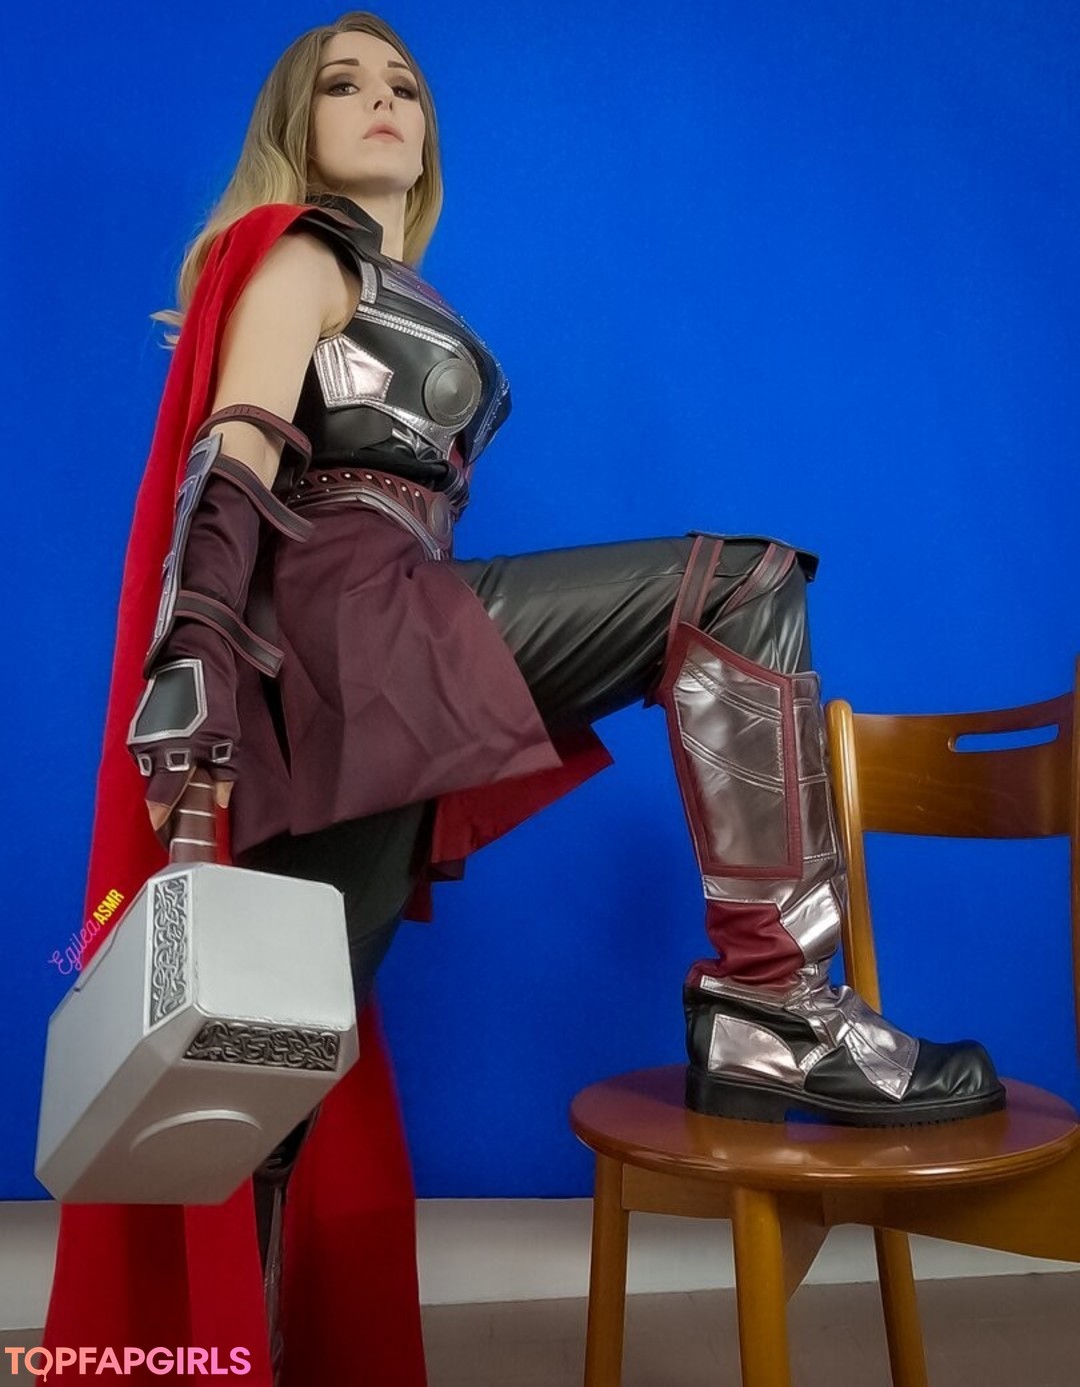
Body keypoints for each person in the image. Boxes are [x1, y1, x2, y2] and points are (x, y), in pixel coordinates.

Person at [45, 11, 1005, 1385]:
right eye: (342, 84)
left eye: (405, 85)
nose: (383, 100)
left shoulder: (385, 279)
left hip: (381, 669)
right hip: (354, 631)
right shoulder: (303, 251)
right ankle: (778, 1006)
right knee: (736, 588)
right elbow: (233, 454)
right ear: (293, 126)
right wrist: (190, 681)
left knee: (271, 1075)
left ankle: (234, 1358)